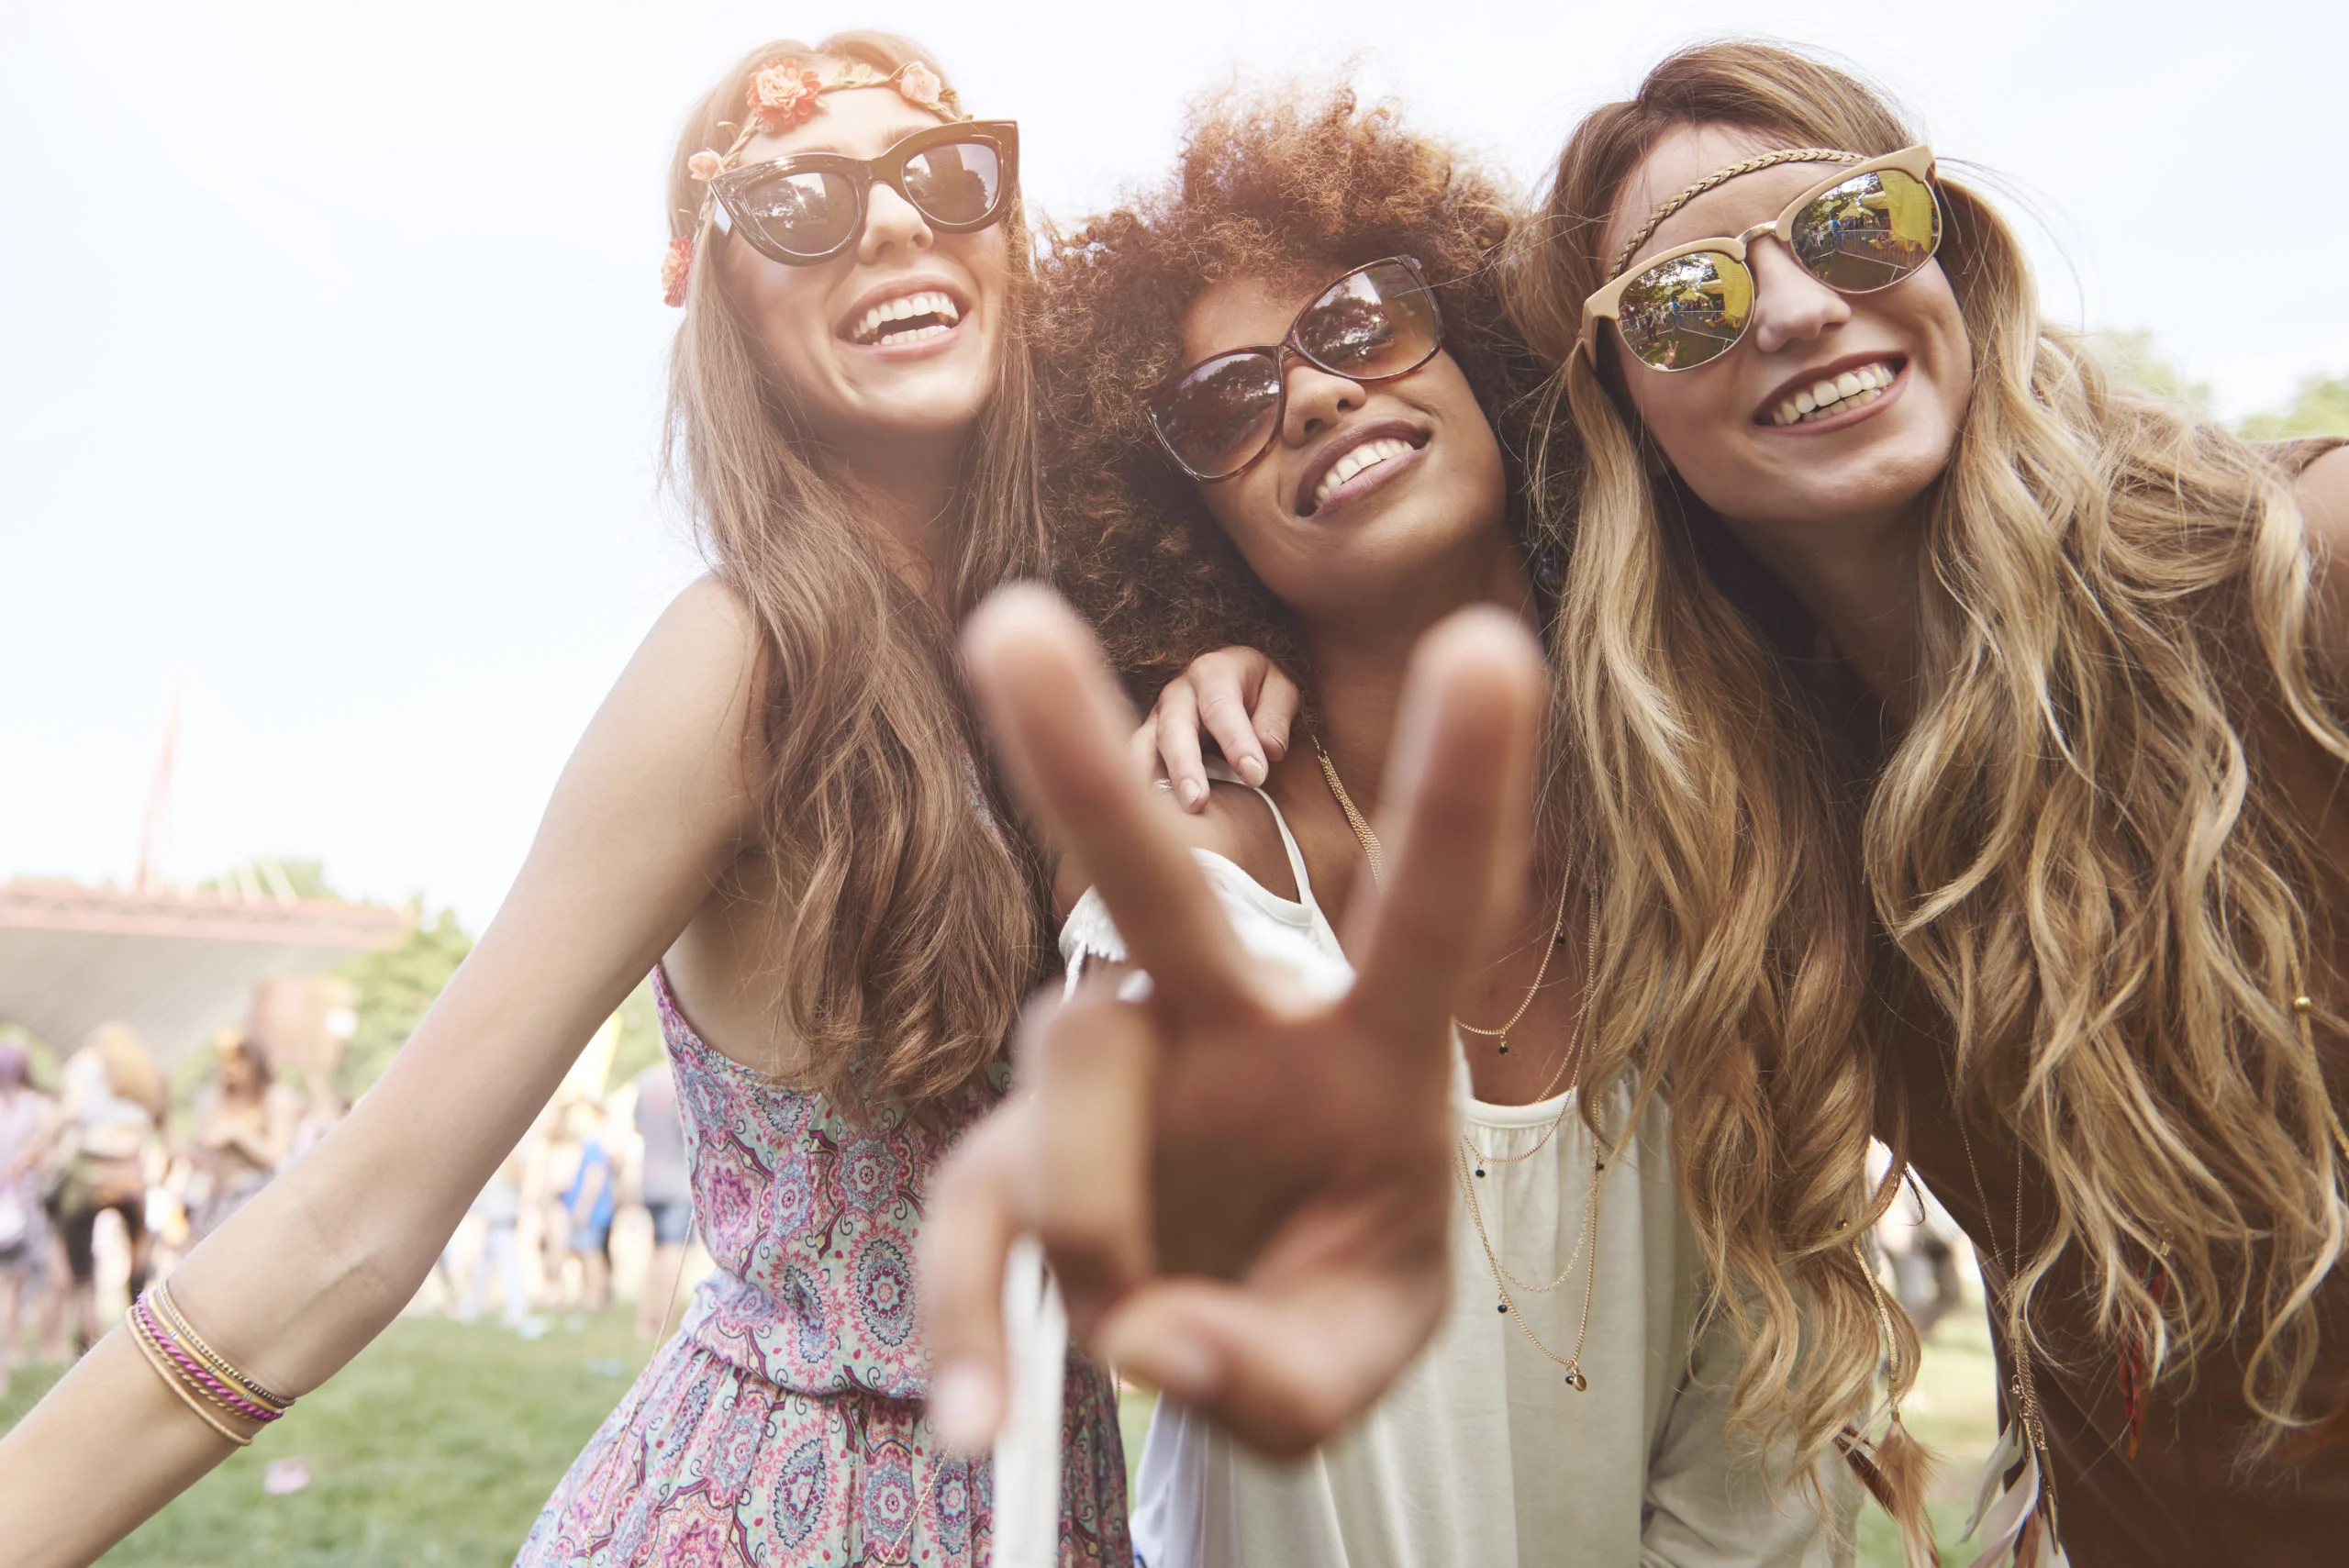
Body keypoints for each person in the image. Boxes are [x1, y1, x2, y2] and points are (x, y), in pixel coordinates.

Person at [0, 33, 1144, 1568]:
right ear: (727, 305)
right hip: (767, 1516)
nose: (886, 220)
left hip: (1045, 1503)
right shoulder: (748, 662)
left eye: (942, 174)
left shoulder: (1113, 641)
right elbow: (359, 1212)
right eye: (800, 201)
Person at [935, 86, 1855, 1568]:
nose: (1308, 393)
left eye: (1360, 323)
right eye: (1227, 403)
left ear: (1485, 359)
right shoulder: (1206, 850)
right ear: (1192, 525)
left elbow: (1759, 1451)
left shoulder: (1712, 816)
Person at [1489, 39, 2349, 1566]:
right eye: (1690, 302)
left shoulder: (2301, 578)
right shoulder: (1749, 824)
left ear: (1949, 253)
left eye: (1853, 226)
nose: (1805, 308)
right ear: (1618, 406)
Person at [41, 1026, 166, 1357]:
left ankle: (87, 1335)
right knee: (137, 1255)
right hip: (132, 1172)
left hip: (92, 1171)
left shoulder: (87, 1063)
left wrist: (41, 1145)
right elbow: (158, 1120)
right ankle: (142, 1329)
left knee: (83, 1266)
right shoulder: (144, 1071)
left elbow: (72, 1110)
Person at [185, 1029, 299, 1243]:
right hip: (218, 1203)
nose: (229, 1070)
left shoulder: (276, 1097)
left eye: (236, 1060)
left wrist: (237, 1132)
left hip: (258, 1200)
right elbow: (198, 1155)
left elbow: (277, 1156)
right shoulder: (215, 1100)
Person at [0, 1040, 59, 1399]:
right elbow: (47, 1161)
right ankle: (6, 1362)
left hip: (11, 1211)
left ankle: (11, 1355)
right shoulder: (34, 1109)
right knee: (9, 1288)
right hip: (16, 1211)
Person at [629, 1060, 692, 1341]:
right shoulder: (684, 1076)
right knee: (672, 1254)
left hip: (650, 1180)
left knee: (655, 1252)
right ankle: (669, 1325)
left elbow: (637, 1126)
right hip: (678, 1183)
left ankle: (645, 1321)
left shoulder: (646, 1081)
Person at [556, 1102, 615, 1314]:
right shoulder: (586, 1145)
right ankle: (592, 1296)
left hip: (591, 1210)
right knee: (585, 1253)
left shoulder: (592, 1146)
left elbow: (595, 1179)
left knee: (591, 1254)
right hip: (586, 1208)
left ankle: (595, 1298)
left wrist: (582, 1208)